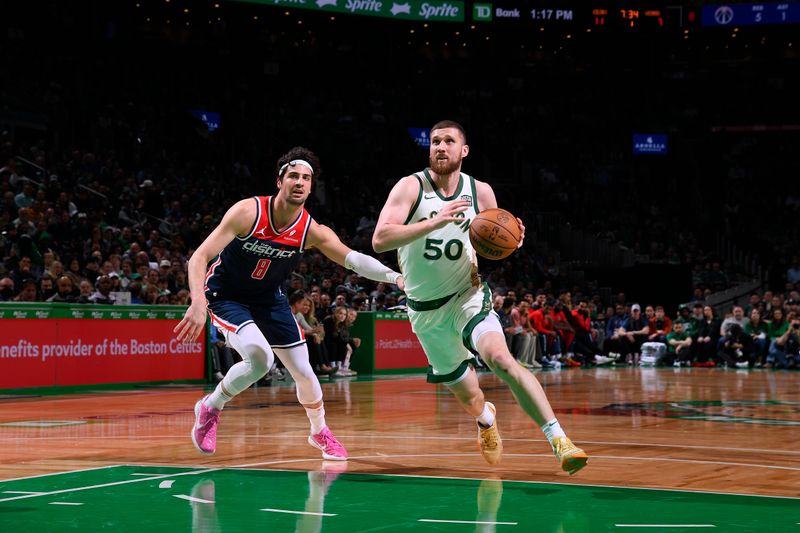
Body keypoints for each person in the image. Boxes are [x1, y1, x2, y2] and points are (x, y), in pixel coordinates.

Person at [372, 120, 588, 475]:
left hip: (466, 296)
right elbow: (381, 239)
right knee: (470, 397)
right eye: (435, 141)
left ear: (464, 150)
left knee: (502, 359)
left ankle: (559, 440)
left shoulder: (481, 191)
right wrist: (434, 221)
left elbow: (490, 240)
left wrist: (513, 239)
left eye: (449, 141)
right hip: (425, 313)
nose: (440, 147)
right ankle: (486, 419)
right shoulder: (411, 186)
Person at [174, 146, 404, 460]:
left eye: (306, 178)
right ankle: (211, 407)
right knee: (260, 358)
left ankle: (319, 431)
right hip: (227, 296)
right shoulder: (248, 212)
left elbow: (352, 259)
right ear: (280, 181)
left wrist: (395, 278)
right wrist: (197, 302)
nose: (299, 182)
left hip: (270, 300)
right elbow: (199, 256)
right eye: (293, 175)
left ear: (311, 187)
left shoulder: (310, 231)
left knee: (304, 372)